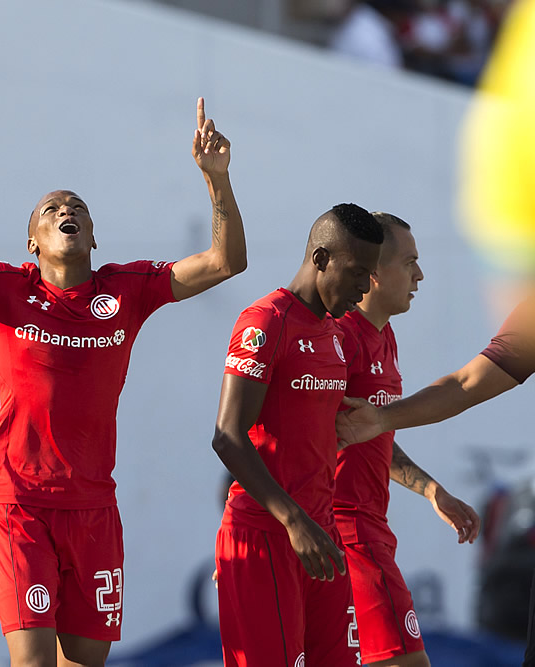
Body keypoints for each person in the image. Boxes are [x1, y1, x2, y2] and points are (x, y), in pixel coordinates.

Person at [0, 98, 246, 666]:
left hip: (95, 507)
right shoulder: (4, 287)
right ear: (32, 241)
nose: (65, 210)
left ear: (95, 238)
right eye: (50, 209)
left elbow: (226, 261)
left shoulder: (129, 289)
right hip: (22, 504)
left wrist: (216, 179)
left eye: (76, 206)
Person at [338, 1, 535, 662]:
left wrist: (415, 470)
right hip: (327, 542)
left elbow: (462, 383)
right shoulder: (296, 327)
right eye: (409, 262)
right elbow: (467, 381)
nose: (421, 276)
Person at [212, 203, 382, 666]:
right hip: (269, 535)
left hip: (320, 538)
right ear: (322, 258)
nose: (365, 288)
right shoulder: (265, 321)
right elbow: (228, 435)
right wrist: (292, 520)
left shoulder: (333, 333)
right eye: (358, 272)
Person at [333, 211, 481, 667]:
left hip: (368, 531)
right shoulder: (338, 339)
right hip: (346, 537)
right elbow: (276, 435)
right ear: (373, 273)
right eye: (410, 262)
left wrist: (431, 489)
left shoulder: (386, 337)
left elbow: (371, 433)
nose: (420, 275)